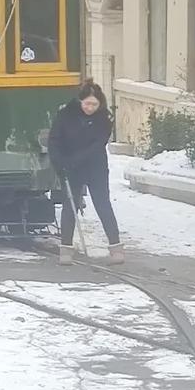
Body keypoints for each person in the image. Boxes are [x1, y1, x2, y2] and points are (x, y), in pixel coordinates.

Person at [48, 80, 123, 266]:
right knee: (70, 205)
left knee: (102, 203)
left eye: (94, 104)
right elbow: (54, 140)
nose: (90, 108)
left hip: (94, 166)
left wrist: (75, 160)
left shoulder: (104, 118)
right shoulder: (65, 115)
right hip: (69, 166)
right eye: (87, 103)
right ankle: (65, 249)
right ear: (80, 101)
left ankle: (116, 247)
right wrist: (60, 162)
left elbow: (98, 144)